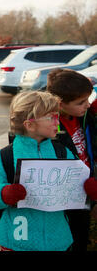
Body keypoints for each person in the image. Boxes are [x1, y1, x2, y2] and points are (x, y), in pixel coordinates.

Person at [0, 91, 83, 251]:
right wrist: (4, 193)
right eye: (51, 117)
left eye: (57, 116)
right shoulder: (6, 156)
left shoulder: (62, 152)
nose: (57, 121)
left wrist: (87, 186)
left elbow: (77, 182)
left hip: (57, 239)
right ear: (29, 125)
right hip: (16, 241)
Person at [46, 68, 97, 251]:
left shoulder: (82, 115)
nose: (87, 105)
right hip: (66, 195)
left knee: (81, 236)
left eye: (88, 100)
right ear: (60, 104)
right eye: (81, 102)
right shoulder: (49, 126)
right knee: (68, 238)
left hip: (87, 188)